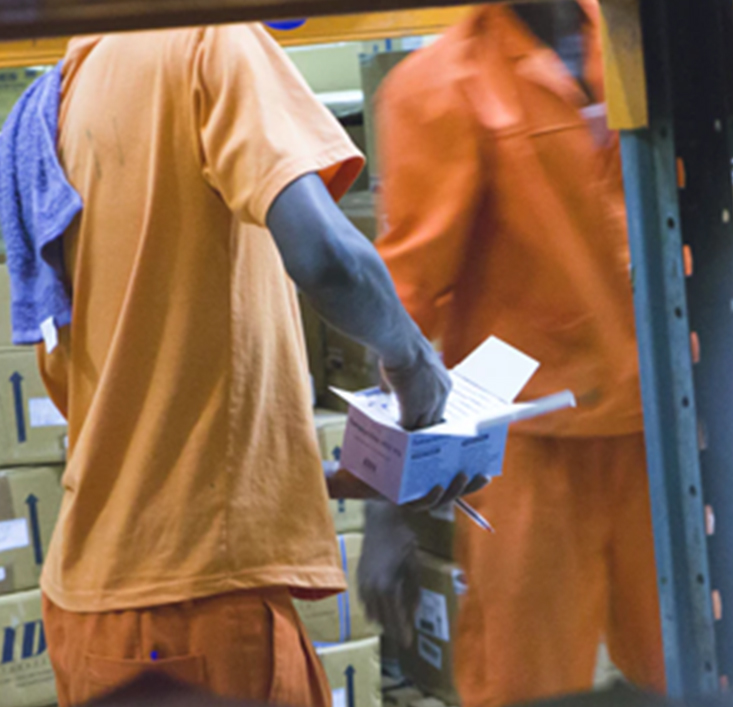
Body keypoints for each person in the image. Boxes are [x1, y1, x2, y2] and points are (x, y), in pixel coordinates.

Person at [1, 23, 485, 707]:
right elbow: (325, 257)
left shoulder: (68, 89)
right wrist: (411, 358)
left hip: (101, 603)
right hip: (195, 610)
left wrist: (318, 480)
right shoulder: (208, 37)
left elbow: (142, 395)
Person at [358, 2, 666, 704]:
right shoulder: (439, 87)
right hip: (529, 456)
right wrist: (384, 506)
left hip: (661, 439)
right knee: (525, 689)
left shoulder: (642, 44)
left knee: (702, 675)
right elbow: (402, 308)